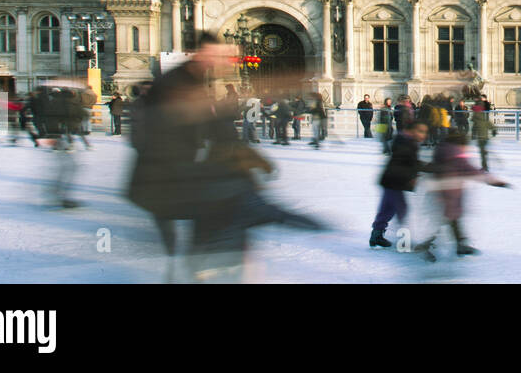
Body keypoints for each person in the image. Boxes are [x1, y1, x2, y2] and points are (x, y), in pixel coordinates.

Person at [127, 32, 323, 282]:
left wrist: (247, 156)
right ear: (203, 53)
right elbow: (199, 130)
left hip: (192, 182)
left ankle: (190, 270)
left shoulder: (193, 82)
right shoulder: (178, 85)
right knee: (216, 233)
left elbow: (218, 128)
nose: (228, 61)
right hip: (174, 180)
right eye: (222, 55)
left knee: (213, 237)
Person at [415, 131, 510, 261]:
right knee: (445, 220)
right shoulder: (456, 156)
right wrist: (497, 182)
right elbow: (473, 171)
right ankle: (425, 246)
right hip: (448, 196)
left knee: (452, 220)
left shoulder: (443, 150)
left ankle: (460, 245)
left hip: (441, 194)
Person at [370, 121, 431, 249]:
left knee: (387, 209)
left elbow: (409, 162)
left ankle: (376, 235)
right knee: (401, 210)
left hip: (391, 180)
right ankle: (404, 241)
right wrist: (429, 168)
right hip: (395, 181)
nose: (423, 135)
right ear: (413, 131)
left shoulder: (405, 141)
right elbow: (411, 163)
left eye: (425, 132)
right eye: (420, 131)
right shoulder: (406, 143)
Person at [471, 97, 494, 172]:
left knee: (482, 153)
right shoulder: (483, 118)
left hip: (481, 138)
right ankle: (485, 165)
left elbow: (474, 128)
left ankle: (485, 166)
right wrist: (494, 130)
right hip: (484, 137)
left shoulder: (477, 118)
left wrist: (473, 135)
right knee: (483, 152)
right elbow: (489, 124)